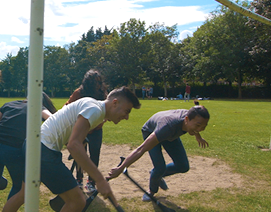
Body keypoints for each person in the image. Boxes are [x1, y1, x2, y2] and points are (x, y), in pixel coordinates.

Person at [3, 86, 141, 212]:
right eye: (127, 111)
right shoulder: (95, 110)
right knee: (77, 201)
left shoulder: (92, 105)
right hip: (44, 150)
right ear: (115, 103)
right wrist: (99, 179)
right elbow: (73, 145)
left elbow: (71, 138)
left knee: (24, 194)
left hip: (33, 145)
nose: (127, 117)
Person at [109, 105, 209, 201]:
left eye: (203, 127)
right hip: (151, 131)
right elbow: (141, 149)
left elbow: (196, 126)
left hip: (170, 135)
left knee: (183, 166)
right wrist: (121, 168)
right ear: (186, 119)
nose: (200, 129)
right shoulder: (168, 126)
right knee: (159, 167)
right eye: (198, 125)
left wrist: (198, 136)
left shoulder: (191, 117)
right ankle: (151, 191)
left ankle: (155, 175)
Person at [0, 92, 56, 200]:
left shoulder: (10, 104)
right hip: (13, 149)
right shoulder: (38, 107)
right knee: (19, 187)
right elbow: (52, 119)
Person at [64, 69, 108, 193]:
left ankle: (91, 182)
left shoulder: (103, 93)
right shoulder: (79, 93)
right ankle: (79, 179)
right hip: (82, 129)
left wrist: (101, 122)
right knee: (80, 155)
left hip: (96, 129)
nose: (98, 85)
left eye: (99, 82)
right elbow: (67, 106)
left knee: (94, 155)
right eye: (95, 82)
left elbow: (106, 110)